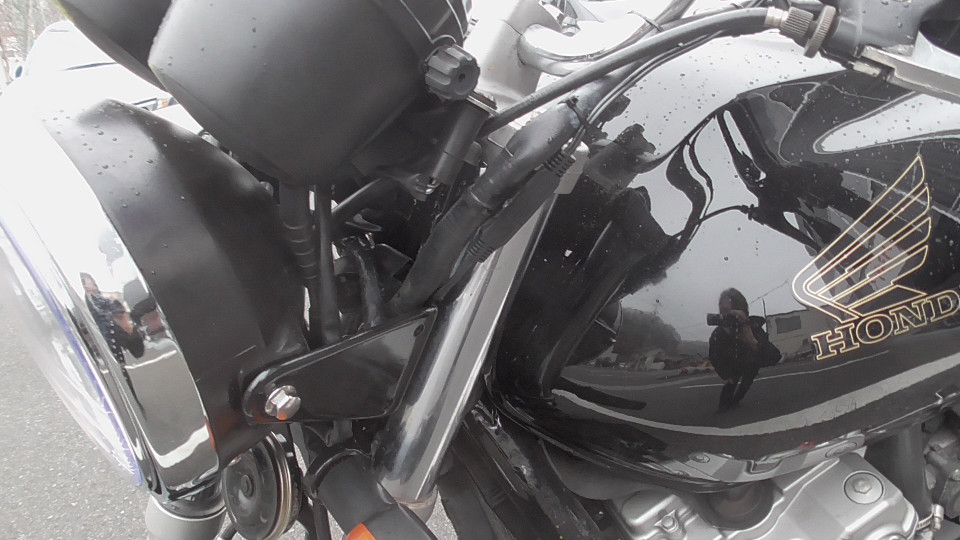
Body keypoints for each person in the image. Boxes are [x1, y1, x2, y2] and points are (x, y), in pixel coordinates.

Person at [708, 288, 780, 412]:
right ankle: (725, 405)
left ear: (743, 312)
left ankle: (736, 400)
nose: (730, 318)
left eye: (733, 313)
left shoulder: (752, 327)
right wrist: (725, 374)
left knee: (747, 381)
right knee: (730, 386)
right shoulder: (719, 334)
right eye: (725, 313)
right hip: (732, 367)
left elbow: (774, 357)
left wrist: (752, 340)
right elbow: (714, 356)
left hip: (750, 365)